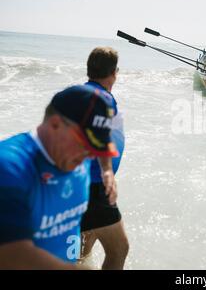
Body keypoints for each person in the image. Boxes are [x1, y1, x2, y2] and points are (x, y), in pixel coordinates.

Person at [0, 85, 118, 269]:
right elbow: (11, 254)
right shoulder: (10, 167)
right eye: (86, 145)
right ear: (55, 124)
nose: (90, 156)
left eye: (96, 148)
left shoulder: (75, 156)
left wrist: (107, 170)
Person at [79, 47, 129, 270]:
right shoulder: (102, 99)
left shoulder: (82, 93)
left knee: (81, 243)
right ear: (114, 73)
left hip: (80, 185)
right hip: (94, 187)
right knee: (119, 249)